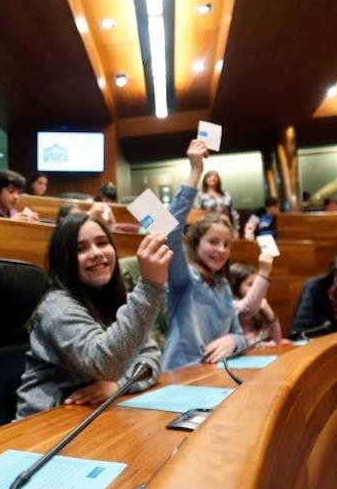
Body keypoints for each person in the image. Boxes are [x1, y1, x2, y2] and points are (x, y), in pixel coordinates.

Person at [16, 215, 167, 418]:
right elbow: (104, 364)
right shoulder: (55, 307)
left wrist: (118, 385)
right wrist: (150, 287)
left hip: (96, 414)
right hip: (46, 422)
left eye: (102, 243)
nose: (96, 253)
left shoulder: (112, 297)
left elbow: (151, 357)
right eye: (80, 249)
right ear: (63, 259)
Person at [163, 139, 247, 370]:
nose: (221, 250)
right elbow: (169, 231)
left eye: (226, 244)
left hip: (215, 376)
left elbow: (240, 335)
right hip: (179, 377)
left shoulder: (223, 285)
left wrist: (232, 341)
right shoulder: (184, 277)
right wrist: (195, 171)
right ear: (196, 243)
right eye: (213, 241)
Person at [229, 253, 283, 347]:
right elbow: (248, 346)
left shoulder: (259, 307)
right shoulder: (233, 306)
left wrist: (270, 315)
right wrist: (268, 345)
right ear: (235, 287)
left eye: (256, 284)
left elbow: (278, 340)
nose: (255, 288)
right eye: (250, 284)